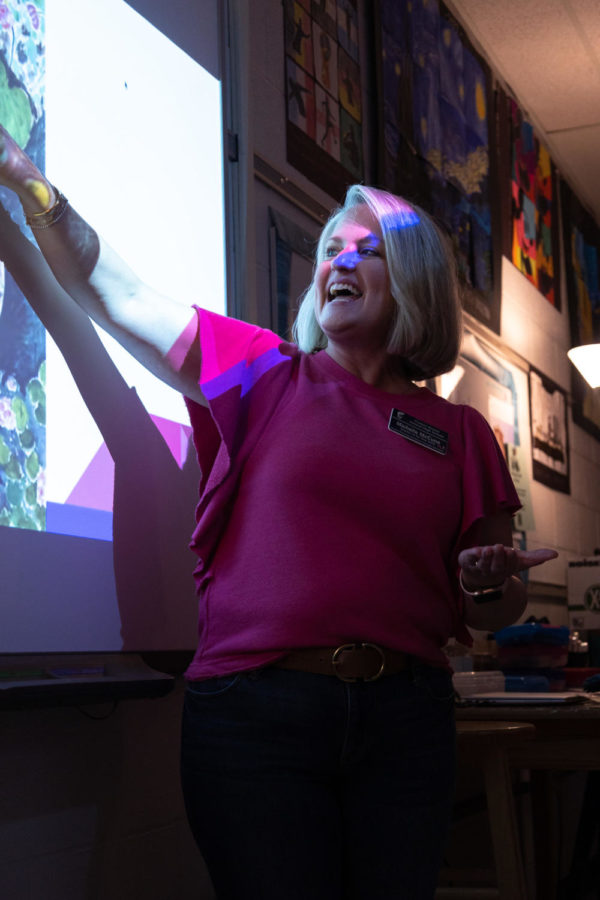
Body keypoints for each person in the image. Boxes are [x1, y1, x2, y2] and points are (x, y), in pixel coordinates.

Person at [0, 123, 557, 899]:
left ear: (416, 283)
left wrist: (490, 581)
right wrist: (22, 177)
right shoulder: (264, 372)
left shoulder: (461, 432)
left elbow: (499, 609)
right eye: (333, 247)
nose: (340, 260)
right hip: (257, 719)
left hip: (407, 720)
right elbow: (112, 292)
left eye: (368, 251)